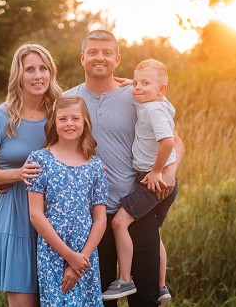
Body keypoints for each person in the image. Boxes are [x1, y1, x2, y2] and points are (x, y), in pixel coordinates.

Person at [65, 30, 184, 307]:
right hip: (91, 216)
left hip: (135, 209)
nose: (100, 57)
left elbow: (174, 140)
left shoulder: (137, 95)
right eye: (93, 52)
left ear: (117, 59)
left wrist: (167, 172)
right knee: (99, 301)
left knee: (145, 299)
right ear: (82, 58)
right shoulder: (68, 101)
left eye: (107, 52)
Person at [0, 43, 62, 307]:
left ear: (51, 73)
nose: (38, 76)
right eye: (30, 69)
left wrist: (123, 84)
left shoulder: (61, 113)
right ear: (18, 75)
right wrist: (14, 175)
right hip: (15, 219)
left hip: (56, 220)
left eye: (43, 68)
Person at [101, 58, 178, 307]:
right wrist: (132, 84)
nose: (137, 87)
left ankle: (124, 279)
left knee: (119, 223)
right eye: (136, 82)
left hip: (151, 181)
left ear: (161, 89)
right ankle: (161, 285)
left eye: (145, 83)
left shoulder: (153, 110)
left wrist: (157, 171)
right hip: (161, 182)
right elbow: (155, 94)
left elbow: (168, 141)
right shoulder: (160, 104)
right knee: (153, 233)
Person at [26, 95, 108, 306]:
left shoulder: (95, 165)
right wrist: (68, 256)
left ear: (85, 123)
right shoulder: (39, 159)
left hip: (85, 256)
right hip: (53, 253)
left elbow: (100, 219)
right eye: (62, 119)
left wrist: (80, 260)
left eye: (75, 118)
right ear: (54, 123)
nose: (69, 124)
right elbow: (36, 214)